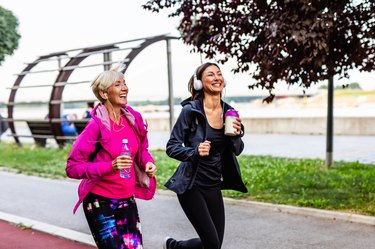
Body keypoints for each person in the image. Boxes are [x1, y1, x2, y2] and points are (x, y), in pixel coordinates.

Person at [66, 66, 157, 249]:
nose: (125, 88)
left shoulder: (134, 119)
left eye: (125, 83)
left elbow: (141, 150)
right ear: (104, 93)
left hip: (127, 198)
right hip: (99, 200)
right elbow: (72, 167)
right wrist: (110, 166)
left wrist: (148, 162)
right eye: (118, 84)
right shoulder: (95, 126)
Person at [163, 62, 247, 249]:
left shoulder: (229, 113)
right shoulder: (190, 111)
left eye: (219, 74)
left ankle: (175, 247)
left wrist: (237, 134)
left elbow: (238, 150)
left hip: (213, 184)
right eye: (210, 75)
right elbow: (172, 146)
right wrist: (194, 151)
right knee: (212, 243)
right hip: (191, 185)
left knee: (214, 245)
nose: (216, 78)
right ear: (199, 83)